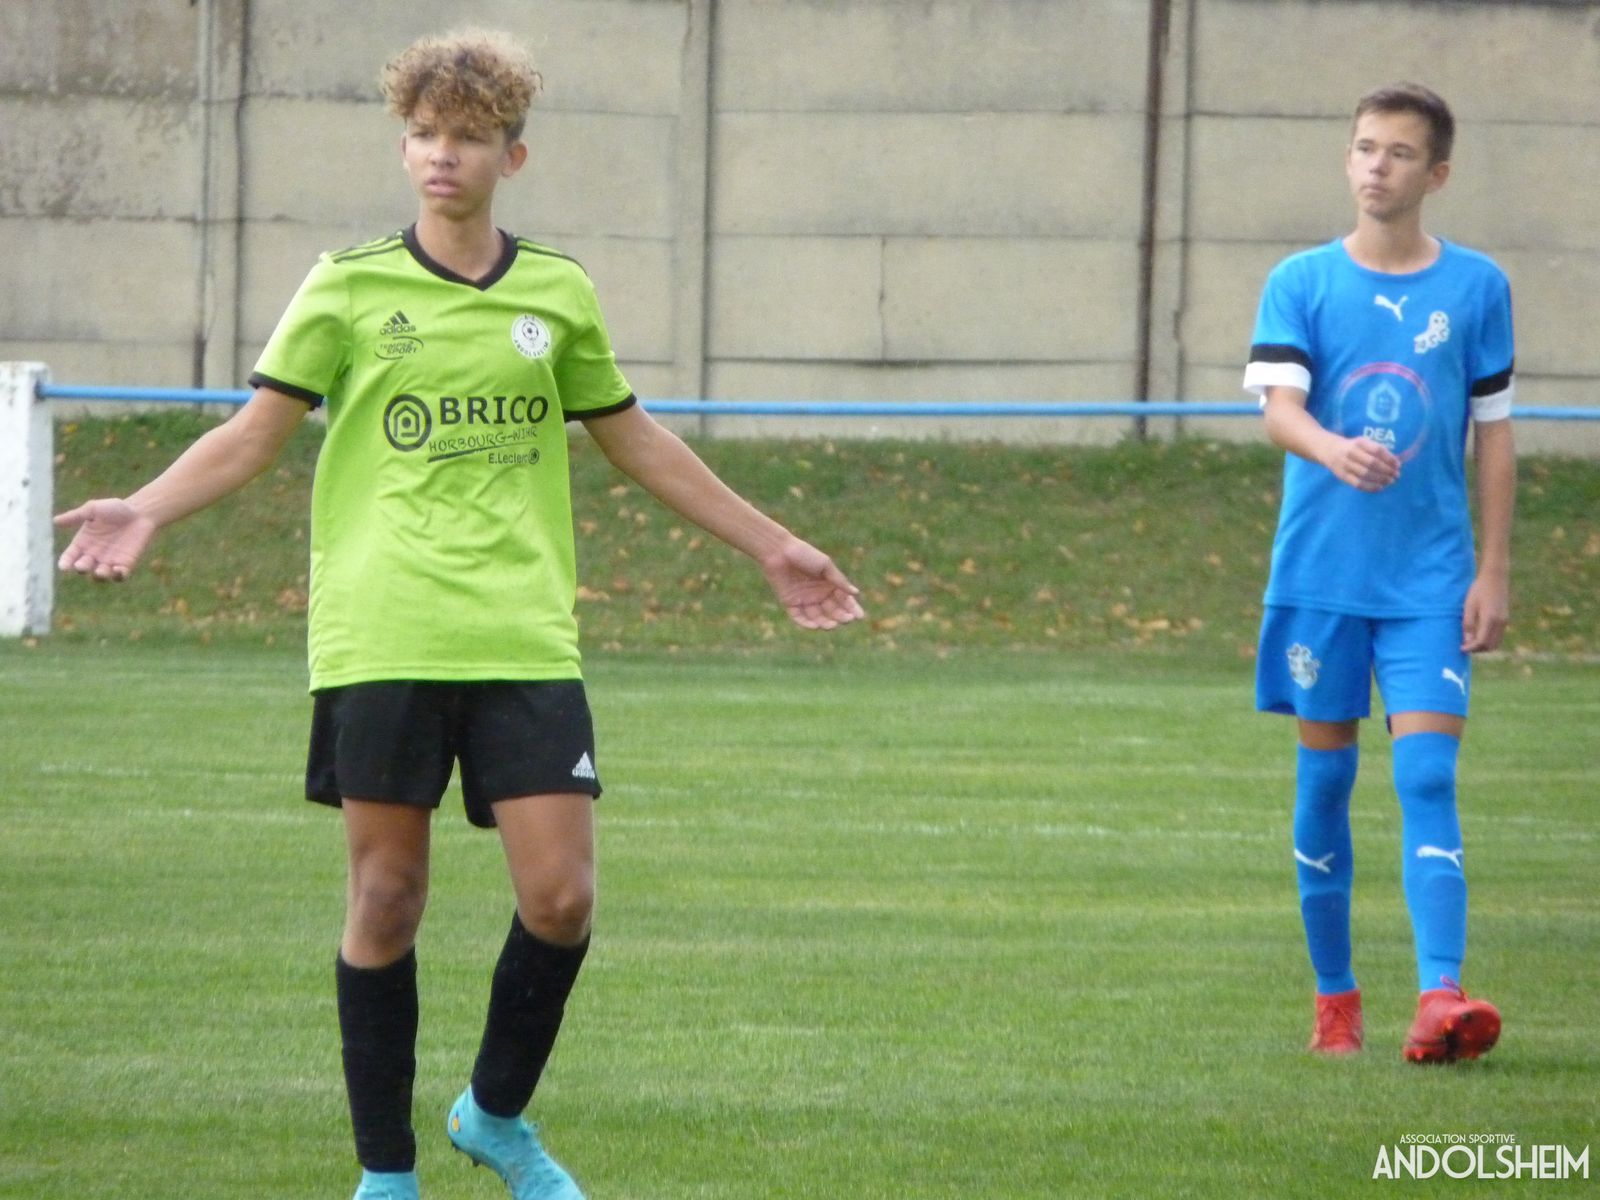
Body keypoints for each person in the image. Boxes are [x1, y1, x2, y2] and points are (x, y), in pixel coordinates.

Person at [55, 29, 864, 1200]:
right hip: (382, 633)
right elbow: (253, 434)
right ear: (403, 148)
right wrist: (145, 507)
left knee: (562, 897)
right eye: (425, 134)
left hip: (522, 635)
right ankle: (386, 1176)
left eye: (469, 137)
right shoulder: (346, 286)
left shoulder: (556, 292)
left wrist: (773, 545)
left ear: (511, 157)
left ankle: (493, 1114)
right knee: (387, 898)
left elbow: (634, 439)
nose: (443, 154)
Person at [1242, 82, 1515, 1064]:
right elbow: (1278, 410)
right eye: (1364, 147)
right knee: (1325, 783)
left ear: (1435, 174)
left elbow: (1493, 434)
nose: (1376, 166)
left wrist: (1492, 569)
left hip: (1430, 582)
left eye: (1399, 153)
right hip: (1321, 575)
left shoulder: (1478, 287)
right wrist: (1331, 448)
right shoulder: (1301, 281)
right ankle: (1335, 1002)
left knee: (1426, 772)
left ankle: (1440, 997)